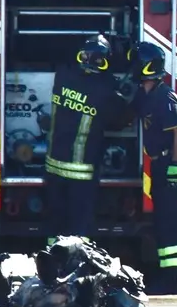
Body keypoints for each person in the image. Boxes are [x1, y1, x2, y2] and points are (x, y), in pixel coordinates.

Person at [44, 33, 131, 243]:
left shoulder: (62, 75)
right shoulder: (104, 89)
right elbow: (120, 120)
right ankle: (73, 267)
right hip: (81, 174)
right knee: (78, 227)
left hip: (52, 167)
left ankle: (50, 263)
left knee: (54, 224)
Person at [132, 41, 177, 296]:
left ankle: (175, 280)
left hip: (170, 161)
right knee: (162, 219)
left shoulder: (165, 97)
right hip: (160, 162)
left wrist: (175, 167)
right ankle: (167, 276)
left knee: (171, 219)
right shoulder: (146, 95)